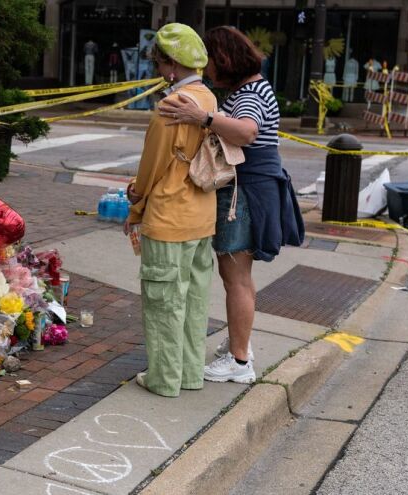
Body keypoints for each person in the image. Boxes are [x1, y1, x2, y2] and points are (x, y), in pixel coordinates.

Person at [157, 26, 304, 384]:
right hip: (253, 189)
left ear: (224, 59)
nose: (206, 69)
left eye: (210, 61)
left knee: (235, 278)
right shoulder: (253, 88)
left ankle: (239, 363)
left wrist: (203, 118)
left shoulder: (252, 92)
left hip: (246, 192)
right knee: (240, 278)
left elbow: (247, 132)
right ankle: (242, 346)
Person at [124, 23, 216, 397]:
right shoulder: (208, 100)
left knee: (164, 303)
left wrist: (136, 200)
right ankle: (190, 374)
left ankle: (164, 379)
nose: (160, 72)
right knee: (195, 301)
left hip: (168, 215)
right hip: (202, 216)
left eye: (161, 64)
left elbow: (153, 166)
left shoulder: (170, 107)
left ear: (173, 65)